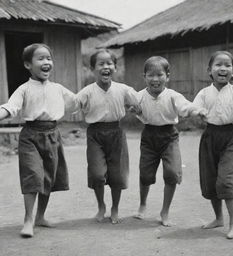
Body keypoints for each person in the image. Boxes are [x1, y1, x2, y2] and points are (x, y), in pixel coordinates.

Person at [0, 43, 78, 238]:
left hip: (52, 134)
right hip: (30, 136)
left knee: (47, 178)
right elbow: (11, 106)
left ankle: (40, 217)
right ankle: (28, 220)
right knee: (33, 176)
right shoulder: (24, 89)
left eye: (48, 58)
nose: (46, 62)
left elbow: (79, 101)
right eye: (40, 58)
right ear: (28, 65)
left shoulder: (58, 88)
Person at [133, 56, 206, 226]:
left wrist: (197, 111)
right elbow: (128, 105)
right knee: (145, 174)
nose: (155, 79)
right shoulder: (139, 96)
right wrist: (131, 108)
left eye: (160, 75)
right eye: (150, 75)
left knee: (172, 173)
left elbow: (185, 106)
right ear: (144, 77)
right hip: (149, 136)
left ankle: (164, 212)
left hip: (169, 137)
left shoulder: (173, 96)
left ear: (168, 76)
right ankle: (142, 204)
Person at [193, 50, 233, 239]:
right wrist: (198, 112)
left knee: (226, 180)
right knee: (211, 180)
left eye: (227, 65)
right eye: (218, 65)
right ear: (209, 70)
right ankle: (218, 218)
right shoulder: (204, 92)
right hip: (209, 138)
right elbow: (194, 107)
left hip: (229, 138)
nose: (223, 68)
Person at [76, 49, 139, 224]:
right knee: (97, 174)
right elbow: (72, 104)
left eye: (109, 63)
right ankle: (101, 206)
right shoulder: (87, 92)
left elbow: (140, 101)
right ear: (92, 69)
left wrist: (137, 108)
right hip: (95, 134)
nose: (106, 67)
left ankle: (115, 208)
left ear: (115, 68)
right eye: (101, 64)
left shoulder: (123, 89)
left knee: (117, 175)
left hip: (116, 133)